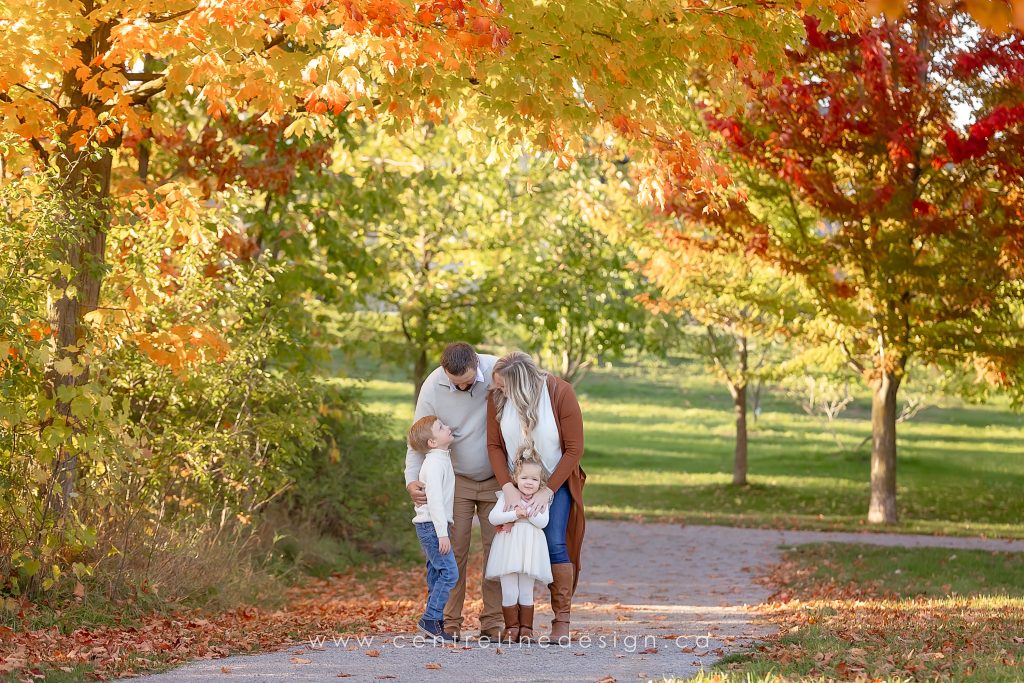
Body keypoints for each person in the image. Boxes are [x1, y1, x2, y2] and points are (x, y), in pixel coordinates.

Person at [405, 342, 503, 641]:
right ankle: (448, 622)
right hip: (455, 481)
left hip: (498, 480)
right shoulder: (433, 385)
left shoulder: (499, 371)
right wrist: (411, 478)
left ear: (477, 365)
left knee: (497, 553)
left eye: (468, 383)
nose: (462, 389)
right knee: (452, 551)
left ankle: (493, 622)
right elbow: (418, 436)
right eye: (456, 384)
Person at [487, 351, 586, 644]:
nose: (499, 391)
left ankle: (562, 619)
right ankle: (517, 625)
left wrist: (547, 489)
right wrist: (507, 486)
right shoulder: (496, 398)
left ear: (520, 383)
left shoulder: (559, 393)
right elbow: (494, 445)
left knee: (555, 541)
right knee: (512, 549)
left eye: (504, 386)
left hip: (555, 483)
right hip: (514, 486)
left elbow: (574, 448)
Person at [484, 450, 553, 643]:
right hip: (508, 546)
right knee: (509, 589)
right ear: (515, 478)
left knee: (525, 589)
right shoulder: (506, 498)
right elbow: (493, 518)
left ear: (541, 482)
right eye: (524, 477)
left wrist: (527, 512)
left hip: (530, 548)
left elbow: (543, 522)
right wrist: (515, 514)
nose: (529, 482)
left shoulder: (540, 500)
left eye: (534, 479)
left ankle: (526, 630)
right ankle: (511, 628)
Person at [407, 415, 458, 642]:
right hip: (432, 526)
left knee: (436, 573)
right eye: (441, 427)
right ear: (432, 442)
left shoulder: (441, 459)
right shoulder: (435, 464)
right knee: (449, 573)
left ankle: (434, 626)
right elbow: (435, 501)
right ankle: (430, 618)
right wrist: (442, 533)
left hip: (433, 525)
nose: (448, 427)